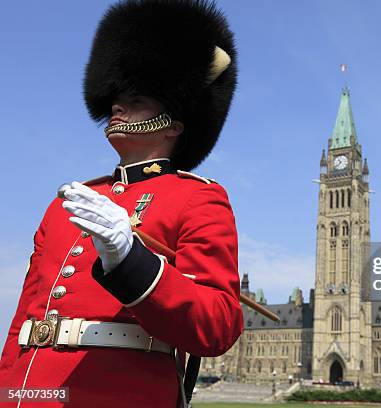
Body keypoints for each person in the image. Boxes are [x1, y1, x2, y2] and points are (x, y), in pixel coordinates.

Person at [0, 1, 242, 407]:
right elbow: (26, 320)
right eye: (116, 96)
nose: (117, 106)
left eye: (137, 98)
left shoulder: (198, 197)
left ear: (174, 123)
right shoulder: (67, 203)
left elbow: (217, 323)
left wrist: (132, 263)